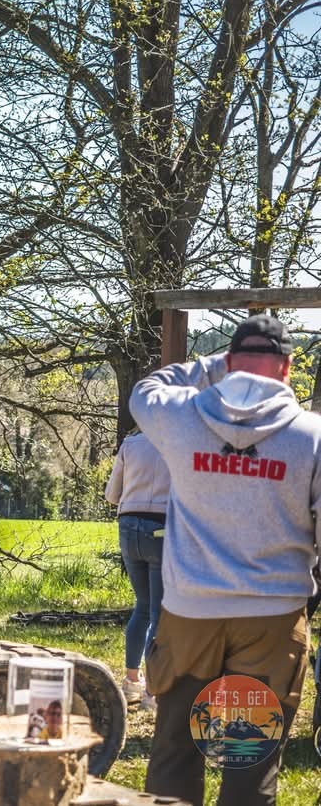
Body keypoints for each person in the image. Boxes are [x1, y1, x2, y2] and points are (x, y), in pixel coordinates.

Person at [130, 314, 321, 806]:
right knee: (249, 758)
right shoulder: (312, 436)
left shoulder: (182, 417)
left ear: (230, 362)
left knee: (174, 751)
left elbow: (146, 389)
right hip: (271, 617)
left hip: (190, 613)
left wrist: (211, 366)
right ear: (288, 368)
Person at [104, 429, 170, 710]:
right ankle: (153, 692)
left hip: (128, 527)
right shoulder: (179, 442)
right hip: (162, 527)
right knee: (159, 613)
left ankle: (131, 681)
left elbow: (111, 495)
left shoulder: (130, 445)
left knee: (141, 606)